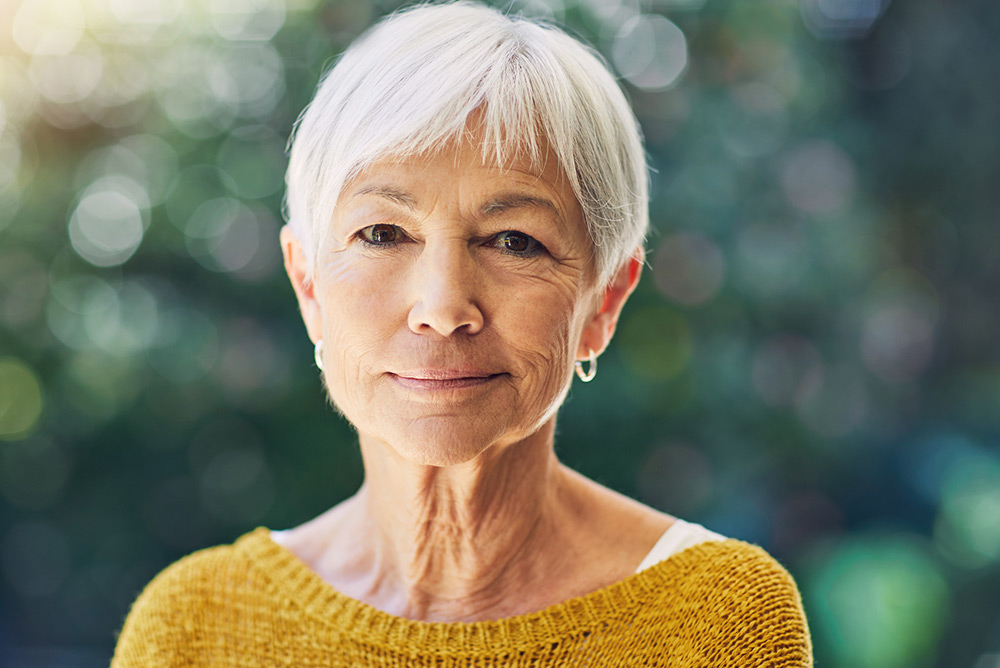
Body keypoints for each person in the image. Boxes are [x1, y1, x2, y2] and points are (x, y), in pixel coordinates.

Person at [111, 2, 812, 666]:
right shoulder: (191, 629)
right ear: (308, 285)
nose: (443, 307)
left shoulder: (716, 622)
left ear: (604, 302)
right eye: (382, 233)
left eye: (513, 240)